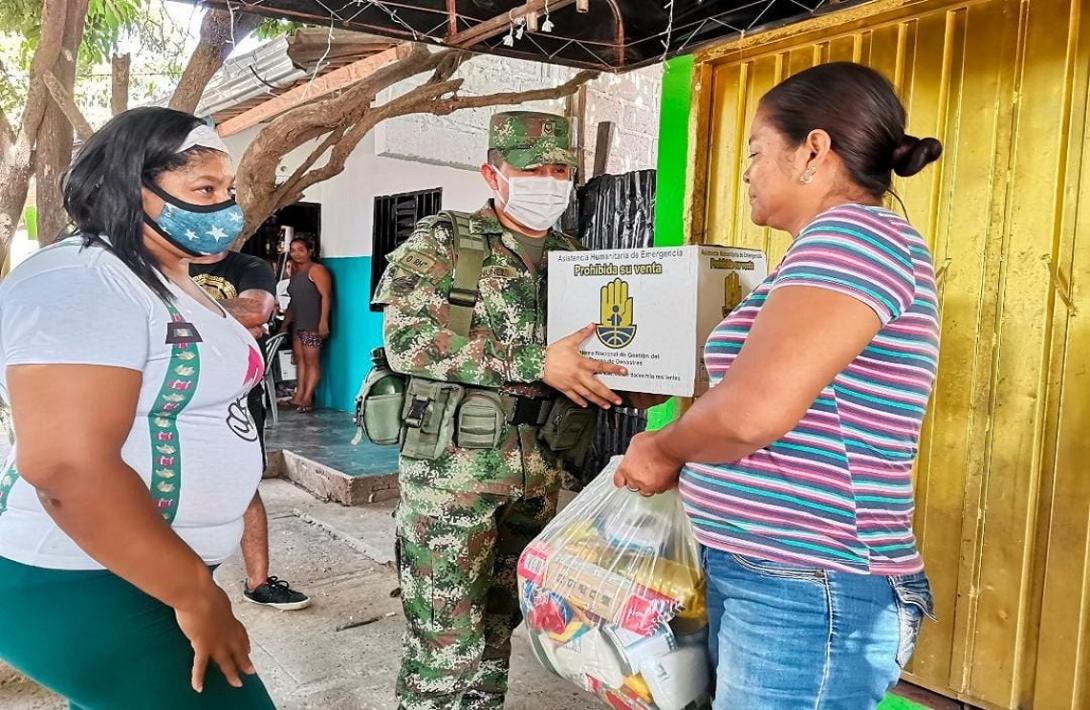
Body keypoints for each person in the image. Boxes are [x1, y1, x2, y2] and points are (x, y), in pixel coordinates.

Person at [614, 62, 943, 709]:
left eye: (757, 152)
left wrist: (664, 449)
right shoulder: (824, 249)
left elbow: (751, 413)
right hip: (774, 575)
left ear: (813, 151)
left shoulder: (853, 238)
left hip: (807, 583)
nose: (746, 172)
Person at [373, 110, 663, 710]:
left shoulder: (576, 257)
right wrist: (535, 362)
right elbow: (406, 343)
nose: (549, 181)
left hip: (540, 468)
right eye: (533, 168)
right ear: (493, 173)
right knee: (444, 638)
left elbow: (592, 356)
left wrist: (635, 383)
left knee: (501, 624)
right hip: (452, 473)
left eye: (561, 170)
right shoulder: (444, 239)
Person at [0, 108, 275, 708]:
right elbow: (68, 469)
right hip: (85, 576)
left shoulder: (162, 275)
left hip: (139, 572)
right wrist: (195, 595)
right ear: (129, 186)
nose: (226, 208)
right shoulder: (79, 281)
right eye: (204, 188)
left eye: (226, 190)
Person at [191, 251, 312, 612]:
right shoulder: (166, 261)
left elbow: (258, 311)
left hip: (238, 397)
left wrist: (176, 307)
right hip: (178, 394)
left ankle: (258, 582)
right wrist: (229, 316)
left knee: (244, 484)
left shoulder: (251, 266)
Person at [280, 238, 330, 413]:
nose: (296, 254)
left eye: (301, 249)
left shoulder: (316, 270)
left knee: (312, 361)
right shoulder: (294, 273)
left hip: (312, 323)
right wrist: (285, 324)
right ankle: (298, 395)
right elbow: (293, 302)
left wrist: (323, 322)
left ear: (309, 251)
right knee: (300, 361)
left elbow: (326, 297)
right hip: (299, 323)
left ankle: (307, 398)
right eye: (293, 250)